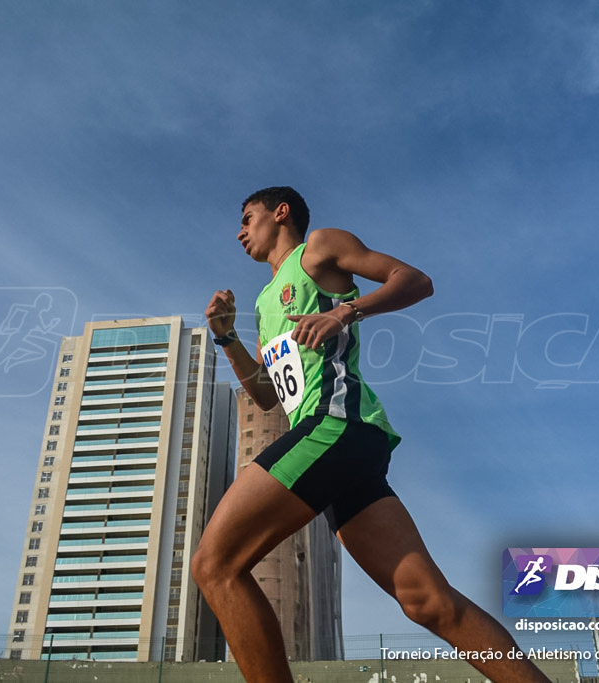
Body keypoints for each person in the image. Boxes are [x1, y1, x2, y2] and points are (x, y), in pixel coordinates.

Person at [192, 186, 550, 683]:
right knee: (427, 602)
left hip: (337, 426)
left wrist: (345, 310)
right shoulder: (264, 304)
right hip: (339, 450)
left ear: (281, 212)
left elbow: (416, 281)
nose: (240, 231)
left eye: (247, 218)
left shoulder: (318, 248)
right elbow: (267, 397)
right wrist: (227, 336)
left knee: (215, 564)